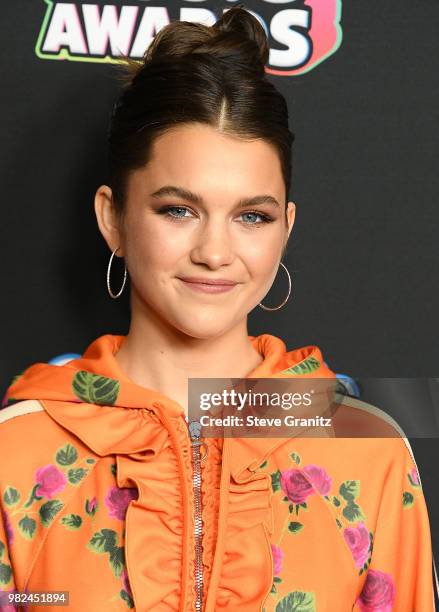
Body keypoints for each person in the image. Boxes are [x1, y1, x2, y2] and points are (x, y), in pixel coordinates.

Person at [0, 5, 436, 611]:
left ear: (285, 229)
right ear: (112, 218)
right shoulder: (16, 454)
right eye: (178, 209)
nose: (214, 252)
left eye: (251, 217)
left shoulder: (365, 446)